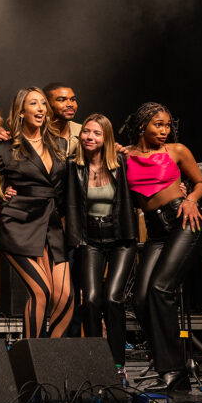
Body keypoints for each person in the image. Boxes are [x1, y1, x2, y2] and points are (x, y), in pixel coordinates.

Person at [121, 102, 202, 392]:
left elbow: (201, 183)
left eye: (168, 125)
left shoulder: (177, 151)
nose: (164, 130)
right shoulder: (126, 156)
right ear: (142, 125)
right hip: (156, 231)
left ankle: (173, 372)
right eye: (158, 124)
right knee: (141, 299)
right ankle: (171, 368)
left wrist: (191, 199)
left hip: (184, 221)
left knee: (160, 288)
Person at [0, 87, 71, 339]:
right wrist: (1, 191)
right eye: (33, 104)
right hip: (18, 224)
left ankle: (50, 356)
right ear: (21, 112)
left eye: (42, 104)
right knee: (40, 291)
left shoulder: (60, 144)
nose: (40, 108)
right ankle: (31, 356)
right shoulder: (4, 147)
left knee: (65, 296)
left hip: (51, 223)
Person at [65, 114, 137, 376]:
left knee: (112, 298)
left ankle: (118, 364)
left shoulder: (122, 163)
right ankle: (96, 361)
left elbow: (148, 182)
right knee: (92, 299)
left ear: (106, 137)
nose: (89, 137)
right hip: (90, 239)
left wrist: (180, 190)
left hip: (121, 240)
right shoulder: (73, 167)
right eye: (86, 132)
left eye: (96, 133)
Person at [44, 82, 81, 156]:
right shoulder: (37, 133)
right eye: (61, 100)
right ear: (47, 104)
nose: (70, 104)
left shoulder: (83, 131)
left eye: (73, 99)